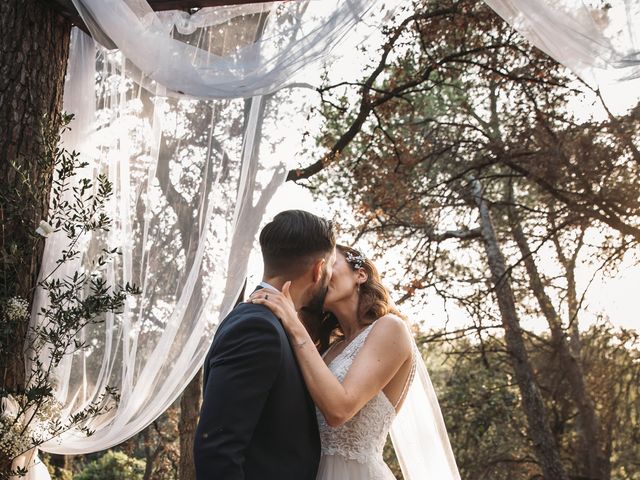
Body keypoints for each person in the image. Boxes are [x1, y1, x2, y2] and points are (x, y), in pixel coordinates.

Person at [249, 244, 416, 479]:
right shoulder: (328, 350)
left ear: (360, 274)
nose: (322, 275)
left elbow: (340, 410)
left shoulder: (390, 328)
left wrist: (294, 325)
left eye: (329, 264)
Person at [193, 209, 337, 480]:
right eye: (329, 269)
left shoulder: (274, 324)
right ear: (318, 270)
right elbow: (216, 450)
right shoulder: (258, 327)